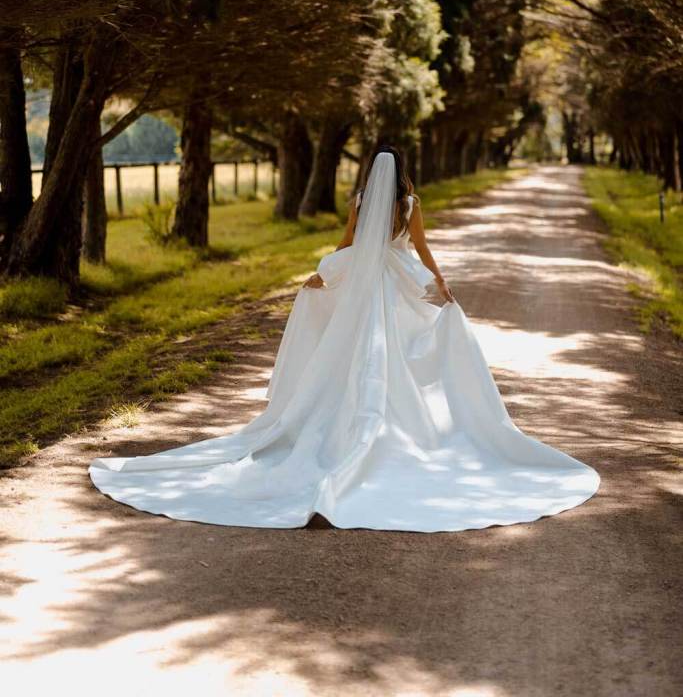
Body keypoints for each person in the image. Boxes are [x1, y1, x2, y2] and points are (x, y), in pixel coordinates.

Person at [89, 146, 599, 531]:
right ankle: (392, 425)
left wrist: (326, 273)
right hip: (396, 281)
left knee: (355, 351)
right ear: (400, 174)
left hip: (363, 281)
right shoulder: (411, 203)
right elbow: (419, 249)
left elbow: (349, 243)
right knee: (398, 352)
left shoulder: (359, 200)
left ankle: (346, 420)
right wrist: (440, 284)